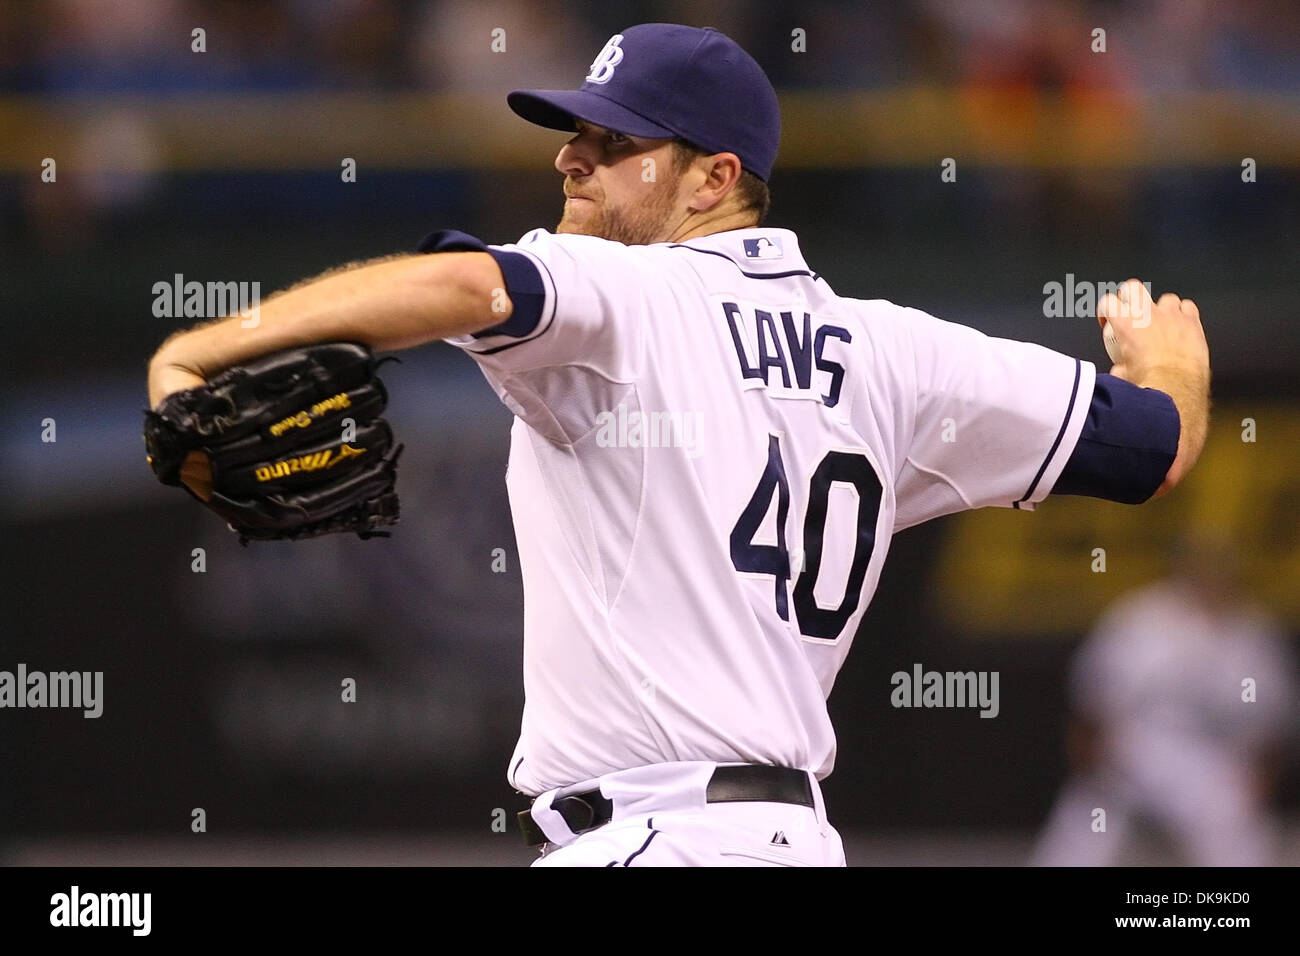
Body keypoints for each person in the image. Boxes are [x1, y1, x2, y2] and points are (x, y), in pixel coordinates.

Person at [147, 23, 1210, 866]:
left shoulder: (631, 291)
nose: (572, 158)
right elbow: (1154, 447)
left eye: (613, 143)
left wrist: (202, 346)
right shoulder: (894, 353)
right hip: (789, 840)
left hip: (653, 834)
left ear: (713, 179)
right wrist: (1168, 365)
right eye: (574, 133)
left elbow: (469, 285)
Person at [1033, 534, 1295, 866]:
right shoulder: (1140, 618)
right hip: (1136, 752)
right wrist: (1089, 764)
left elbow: (1271, 723)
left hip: (1212, 763)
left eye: (1217, 570)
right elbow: (1093, 697)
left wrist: (1260, 780)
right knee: (1088, 820)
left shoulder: (1252, 635)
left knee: (1235, 828)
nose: (1208, 578)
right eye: (1199, 568)